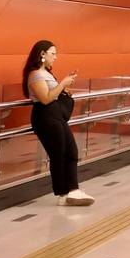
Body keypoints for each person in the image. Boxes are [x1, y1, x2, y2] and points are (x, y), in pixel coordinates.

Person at [23, 40, 94, 206]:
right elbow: (46, 98)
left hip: (56, 116)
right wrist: (62, 83)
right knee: (59, 154)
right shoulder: (35, 75)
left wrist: (65, 86)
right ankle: (64, 193)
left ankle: (73, 190)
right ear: (42, 54)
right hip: (45, 116)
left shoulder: (46, 73)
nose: (55, 57)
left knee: (71, 151)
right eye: (52, 53)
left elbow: (54, 94)